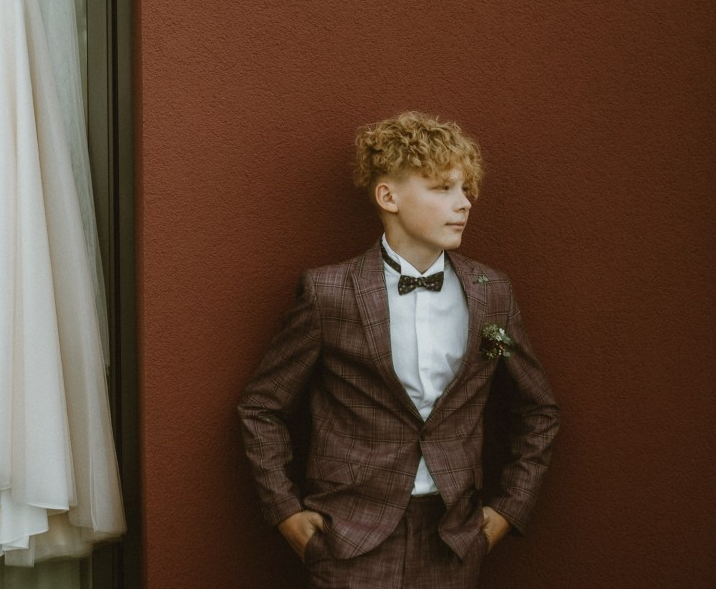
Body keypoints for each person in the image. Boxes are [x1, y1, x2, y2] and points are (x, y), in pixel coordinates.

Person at [237, 111, 559, 588]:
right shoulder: (329, 293)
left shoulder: (492, 293)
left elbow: (538, 409)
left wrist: (509, 510)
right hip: (349, 538)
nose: (464, 203)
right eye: (442, 188)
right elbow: (261, 407)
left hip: (453, 539)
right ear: (388, 197)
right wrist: (285, 513)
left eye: (465, 189)